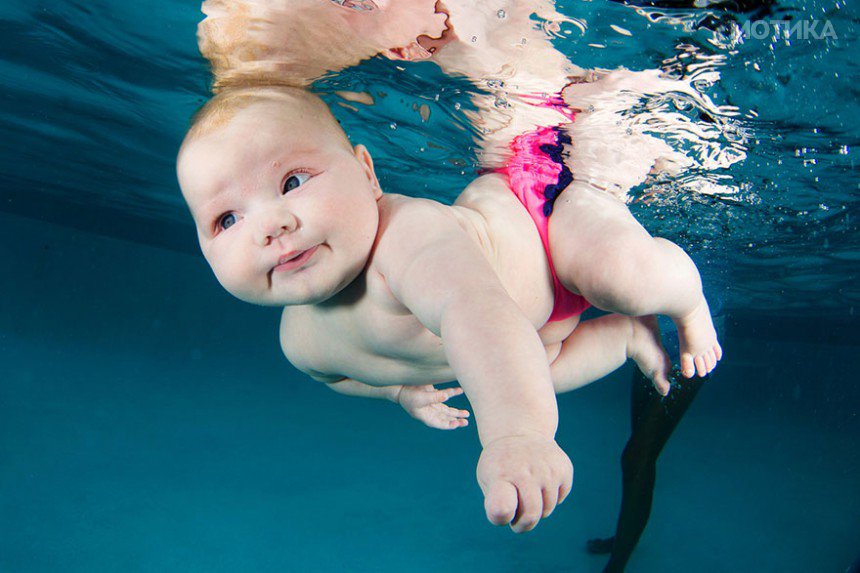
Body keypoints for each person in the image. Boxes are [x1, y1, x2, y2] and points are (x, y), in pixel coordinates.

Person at [176, 82, 722, 533]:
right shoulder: (299, 343)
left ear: (367, 175)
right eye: (226, 219)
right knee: (525, 374)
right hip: (532, 339)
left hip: (545, 224)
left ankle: (688, 302)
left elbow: (474, 312)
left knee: (621, 278)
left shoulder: (405, 236)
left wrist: (517, 434)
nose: (271, 226)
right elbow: (336, 378)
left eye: (292, 181)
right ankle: (627, 338)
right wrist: (395, 391)